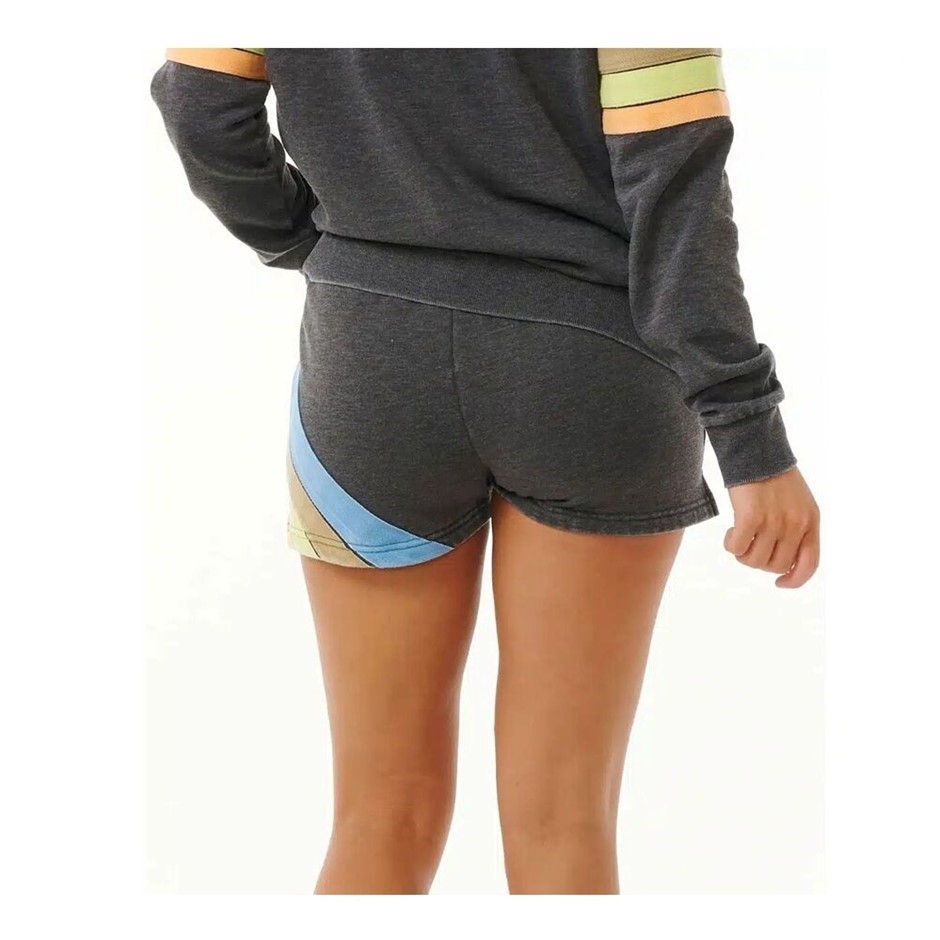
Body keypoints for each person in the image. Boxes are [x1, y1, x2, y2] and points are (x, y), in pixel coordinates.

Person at [150, 47, 821, 894]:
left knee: (376, 817)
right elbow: (676, 197)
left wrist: (322, 248)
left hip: (371, 362)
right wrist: (751, 438)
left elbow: (199, 103)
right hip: (592, 370)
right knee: (564, 820)